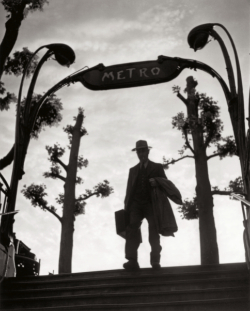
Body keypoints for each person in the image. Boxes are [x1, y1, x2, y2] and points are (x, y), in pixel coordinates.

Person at [123, 140, 169, 271]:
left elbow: (166, 184)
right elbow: (129, 190)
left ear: (148, 151)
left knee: (154, 231)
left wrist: (157, 182)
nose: (141, 153)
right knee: (132, 230)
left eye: (143, 150)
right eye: (139, 151)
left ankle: (155, 260)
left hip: (151, 204)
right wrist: (127, 207)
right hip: (135, 205)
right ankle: (132, 260)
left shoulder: (157, 167)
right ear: (136, 153)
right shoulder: (132, 170)